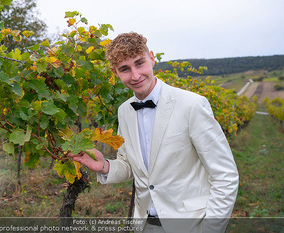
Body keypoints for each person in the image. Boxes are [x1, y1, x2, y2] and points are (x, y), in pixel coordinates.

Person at [72, 32, 239, 233]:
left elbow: (225, 177)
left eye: (139, 63)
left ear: (152, 58)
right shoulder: (124, 111)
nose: (135, 75)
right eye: (125, 69)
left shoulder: (192, 105)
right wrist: (105, 166)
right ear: (115, 72)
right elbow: (130, 165)